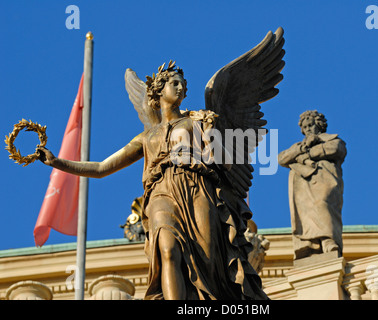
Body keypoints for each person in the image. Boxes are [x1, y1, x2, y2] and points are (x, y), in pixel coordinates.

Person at [38, 63, 268, 300]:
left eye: (183, 84)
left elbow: (226, 164)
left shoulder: (196, 122)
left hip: (198, 190)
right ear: (159, 90)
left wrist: (210, 133)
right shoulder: (148, 136)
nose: (181, 88)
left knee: (208, 260)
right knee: (167, 249)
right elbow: (101, 168)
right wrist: (57, 162)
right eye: (174, 83)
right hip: (162, 192)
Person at [278, 110, 347, 260]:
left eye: (311, 125)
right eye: (305, 127)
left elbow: (336, 149)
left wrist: (308, 154)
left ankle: (328, 241)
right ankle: (310, 244)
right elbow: (282, 158)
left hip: (324, 180)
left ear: (319, 125)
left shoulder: (332, 139)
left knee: (323, 204)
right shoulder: (298, 146)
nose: (308, 129)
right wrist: (302, 149)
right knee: (306, 212)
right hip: (303, 187)